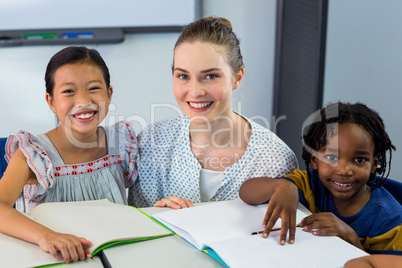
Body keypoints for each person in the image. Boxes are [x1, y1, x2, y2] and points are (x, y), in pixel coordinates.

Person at [128, 16, 298, 209]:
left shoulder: (276, 160)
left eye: (210, 76)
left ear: (237, 77)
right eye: (183, 76)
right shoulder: (150, 144)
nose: (195, 92)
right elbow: (137, 227)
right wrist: (156, 218)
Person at [0, 46, 137, 263]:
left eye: (93, 88)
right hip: (56, 259)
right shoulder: (34, 154)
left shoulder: (122, 143)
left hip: (117, 257)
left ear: (109, 94)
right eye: (69, 91)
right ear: (51, 102)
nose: (83, 100)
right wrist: (46, 236)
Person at [239, 102, 402, 253]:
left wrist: (350, 237)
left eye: (359, 160)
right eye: (331, 158)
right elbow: (246, 193)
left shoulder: (388, 219)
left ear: (374, 164)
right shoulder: (310, 183)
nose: (344, 170)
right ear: (314, 160)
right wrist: (281, 186)